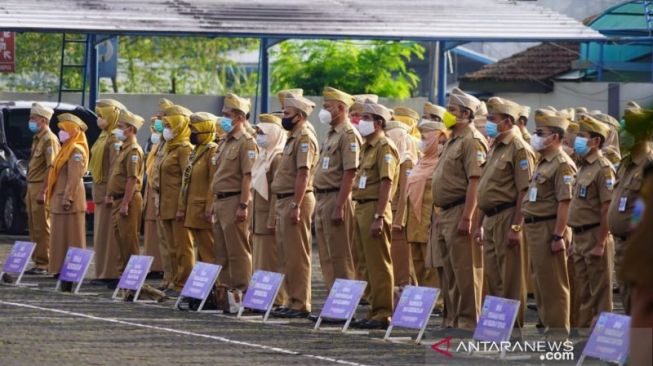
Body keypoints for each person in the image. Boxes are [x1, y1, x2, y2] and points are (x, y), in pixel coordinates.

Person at [474, 97, 535, 331]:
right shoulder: (496, 147)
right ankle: (497, 325)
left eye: (493, 119)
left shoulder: (519, 149)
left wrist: (516, 227)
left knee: (510, 277)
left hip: (508, 216)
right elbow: (485, 190)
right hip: (490, 218)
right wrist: (479, 224)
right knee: (494, 275)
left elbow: (524, 191)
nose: (489, 123)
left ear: (507, 121)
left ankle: (513, 328)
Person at [431, 87, 487, 331]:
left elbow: (475, 180)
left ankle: (468, 321)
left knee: (465, 270)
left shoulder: (472, 141)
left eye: (452, 110)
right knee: (450, 271)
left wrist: (468, 216)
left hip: (460, 210)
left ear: (465, 113)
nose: (447, 114)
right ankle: (452, 318)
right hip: (445, 212)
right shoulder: (452, 139)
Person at [521, 110, 577, 340]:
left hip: (549, 228)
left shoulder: (562, 164)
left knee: (554, 285)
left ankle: (557, 335)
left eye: (540, 133)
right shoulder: (544, 162)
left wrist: (558, 236)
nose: (535, 136)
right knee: (543, 285)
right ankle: (549, 330)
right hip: (535, 228)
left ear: (554, 137)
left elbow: (565, 203)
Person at [350, 100, 399, 330]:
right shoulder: (367, 147)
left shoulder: (384, 147)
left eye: (367, 119)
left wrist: (380, 215)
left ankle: (383, 312)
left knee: (378, 263)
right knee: (365, 262)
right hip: (361, 206)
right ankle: (373, 308)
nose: (361, 122)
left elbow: (386, 183)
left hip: (374, 209)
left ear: (379, 123)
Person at [270, 94, 319, 319]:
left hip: (295, 199)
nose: (284, 117)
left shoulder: (305, 137)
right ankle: (291, 299)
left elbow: (303, 173)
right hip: (285, 200)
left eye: (287, 114)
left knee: (297, 254)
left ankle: (301, 302)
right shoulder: (293, 136)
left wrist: (296, 205)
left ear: (299, 116)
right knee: (285, 254)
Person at [568, 114, 615, 332]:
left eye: (582, 136)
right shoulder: (584, 166)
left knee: (600, 292)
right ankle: (584, 335)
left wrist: (600, 243)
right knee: (583, 291)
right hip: (579, 236)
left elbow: (606, 208)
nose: (577, 140)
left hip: (595, 235)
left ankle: (601, 342)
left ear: (595, 141)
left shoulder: (603, 168)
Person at [210, 94, 258, 296]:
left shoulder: (246, 142)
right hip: (220, 200)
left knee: (238, 251)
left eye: (227, 114)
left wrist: (243, 205)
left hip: (234, 200)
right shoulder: (225, 141)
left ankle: (242, 290)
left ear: (239, 117)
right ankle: (226, 291)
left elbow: (248, 176)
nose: (222, 118)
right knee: (222, 251)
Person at [609, 102, 653, 315]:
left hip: (637, 245)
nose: (622, 135)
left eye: (628, 130)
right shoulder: (625, 164)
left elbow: (644, 207)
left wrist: (633, 228)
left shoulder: (648, 165)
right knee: (626, 297)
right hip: (621, 244)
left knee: (638, 301)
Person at [313, 87, 359, 291]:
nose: (323, 111)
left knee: (340, 255)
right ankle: (333, 302)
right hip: (323, 197)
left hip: (336, 197)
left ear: (340, 108)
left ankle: (344, 301)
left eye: (327, 107)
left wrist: (340, 205)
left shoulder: (348, 135)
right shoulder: (331, 134)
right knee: (326, 255)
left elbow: (350, 172)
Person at [251, 114, 287, 307]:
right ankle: (259, 297)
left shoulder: (277, 157)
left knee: (271, 261)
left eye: (262, 132)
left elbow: (275, 192)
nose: (258, 136)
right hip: (258, 217)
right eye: (257, 132)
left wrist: (272, 218)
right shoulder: (264, 155)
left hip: (268, 218)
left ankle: (275, 299)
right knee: (259, 260)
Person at [406, 118, 448, 288]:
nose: (422, 142)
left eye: (425, 139)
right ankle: (422, 295)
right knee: (417, 257)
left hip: (431, 218)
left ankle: (435, 298)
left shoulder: (442, 163)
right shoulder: (421, 162)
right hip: (415, 219)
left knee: (431, 258)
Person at [46, 113, 89, 276]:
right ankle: (58, 268)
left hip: (69, 199)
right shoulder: (66, 148)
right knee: (59, 236)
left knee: (73, 236)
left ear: (72, 131)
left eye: (64, 130)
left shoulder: (76, 150)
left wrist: (68, 197)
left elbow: (74, 177)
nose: (60, 133)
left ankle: (72, 270)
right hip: (60, 196)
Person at [158, 105, 194, 297]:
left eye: (169, 125)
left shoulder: (184, 149)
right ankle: (173, 280)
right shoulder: (169, 147)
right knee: (171, 247)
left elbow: (186, 179)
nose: (166, 129)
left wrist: (182, 206)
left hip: (178, 205)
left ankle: (184, 282)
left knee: (182, 247)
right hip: (166, 204)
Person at [89, 99, 125, 286]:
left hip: (107, 193)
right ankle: (102, 272)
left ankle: (110, 272)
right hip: (100, 191)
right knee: (101, 235)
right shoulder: (103, 135)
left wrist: (111, 192)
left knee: (109, 235)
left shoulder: (114, 138)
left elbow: (114, 168)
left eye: (102, 116)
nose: (99, 120)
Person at [106, 109, 145, 275]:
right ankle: (124, 275)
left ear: (130, 129)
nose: (118, 130)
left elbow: (132, 179)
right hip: (119, 199)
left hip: (127, 199)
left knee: (129, 240)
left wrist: (125, 203)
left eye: (121, 126)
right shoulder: (124, 148)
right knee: (120, 240)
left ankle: (132, 277)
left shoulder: (133, 150)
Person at [178, 112, 219, 264]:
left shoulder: (212, 150)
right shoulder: (197, 150)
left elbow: (213, 181)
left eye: (195, 131)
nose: (191, 134)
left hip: (203, 210)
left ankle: (216, 285)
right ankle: (205, 285)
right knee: (201, 251)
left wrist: (209, 207)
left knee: (208, 250)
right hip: (193, 208)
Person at [24, 103, 60, 275]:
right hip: (32, 186)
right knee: (33, 225)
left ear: (43, 120)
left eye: (33, 118)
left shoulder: (49, 139)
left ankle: (45, 262)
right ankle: (38, 261)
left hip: (40, 186)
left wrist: (44, 190)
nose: (30, 121)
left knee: (43, 226)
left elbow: (51, 168)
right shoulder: (37, 138)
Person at [385, 113, 419, 288]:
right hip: (391, 211)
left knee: (402, 262)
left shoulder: (407, 162)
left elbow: (406, 192)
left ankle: (404, 292)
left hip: (400, 216)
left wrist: (399, 220)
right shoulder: (397, 160)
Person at [142, 99, 171, 279]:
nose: (158, 123)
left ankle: (163, 269)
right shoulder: (157, 143)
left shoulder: (175, 146)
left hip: (166, 195)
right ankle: (155, 266)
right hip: (154, 191)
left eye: (162, 118)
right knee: (153, 231)